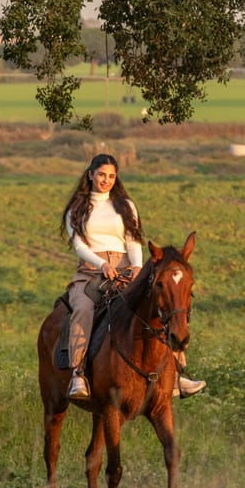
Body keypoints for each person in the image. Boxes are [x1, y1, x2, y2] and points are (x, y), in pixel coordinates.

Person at [61, 153, 206, 400]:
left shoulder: (125, 206)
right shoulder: (77, 208)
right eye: (101, 175)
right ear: (90, 175)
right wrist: (102, 264)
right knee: (84, 309)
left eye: (111, 176)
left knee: (158, 305)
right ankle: (78, 373)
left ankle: (176, 374)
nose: (106, 180)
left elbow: (133, 239)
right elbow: (79, 245)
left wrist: (138, 267)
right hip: (91, 270)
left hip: (126, 268)